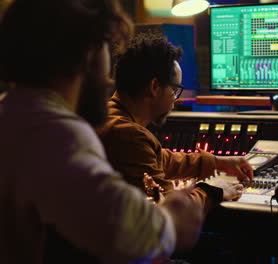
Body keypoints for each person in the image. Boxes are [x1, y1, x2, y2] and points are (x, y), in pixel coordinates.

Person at [0, 1, 204, 263]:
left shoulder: (13, 115)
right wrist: (176, 213)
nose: (110, 78)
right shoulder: (55, 132)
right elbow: (134, 235)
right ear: (89, 53)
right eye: (108, 50)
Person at [97, 32, 254, 215]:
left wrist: (217, 162)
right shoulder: (130, 135)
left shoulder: (109, 116)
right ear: (155, 87)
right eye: (174, 90)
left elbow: (159, 159)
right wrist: (215, 191)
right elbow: (171, 211)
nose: (176, 100)